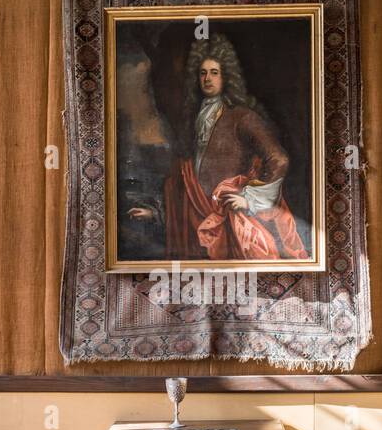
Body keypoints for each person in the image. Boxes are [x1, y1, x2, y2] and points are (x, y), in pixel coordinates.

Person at [128, 33, 307, 262]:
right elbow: (186, 188)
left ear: (226, 77)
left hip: (231, 224)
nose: (207, 79)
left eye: (214, 72)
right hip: (197, 224)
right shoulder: (194, 121)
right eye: (202, 73)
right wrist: (155, 213)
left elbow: (278, 159)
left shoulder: (242, 117)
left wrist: (249, 199)